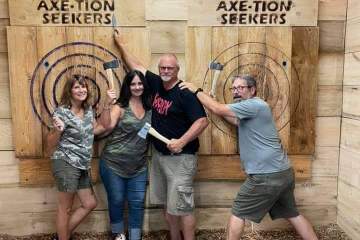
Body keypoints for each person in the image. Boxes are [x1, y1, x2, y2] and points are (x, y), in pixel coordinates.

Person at [180, 75, 318, 240]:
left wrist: (196, 90)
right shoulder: (254, 109)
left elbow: (218, 109)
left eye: (241, 88)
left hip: (266, 176)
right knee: (292, 214)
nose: (236, 91)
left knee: (238, 211)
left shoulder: (254, 105)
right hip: (283, 173)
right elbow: (235, 120)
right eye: (234, 88)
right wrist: (213, 103)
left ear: (252, 90)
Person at [113, 30, 209, 240]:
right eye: (162, 67)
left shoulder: (185, 93)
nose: (165, 70)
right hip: (159, 157)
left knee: (183, 208)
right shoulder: (156, 83)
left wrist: (182, 141)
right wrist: (121, 44)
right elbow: (135, 65)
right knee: (169, 207)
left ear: (177, 69)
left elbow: (202, 121)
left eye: (170, 68)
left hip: (181, 159)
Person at [48, 75, 114, 240]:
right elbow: (49, 143)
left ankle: (61, 236)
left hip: (82, 164)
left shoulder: (88, 110)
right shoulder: (62, 112)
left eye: (83, 86)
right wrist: (58, 130)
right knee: (66, 208)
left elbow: (102, 126)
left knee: (90, 203)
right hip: (65, 162)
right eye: (77, 87)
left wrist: (107, 104)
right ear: (70, 91)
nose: (81, 90)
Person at [96, 70, 152, 240]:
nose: (137, 87)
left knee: (137, 204)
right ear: (128, 86)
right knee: (117, 201)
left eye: (140, 83)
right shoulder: (119, 107)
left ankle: (135, 237)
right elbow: (106, 126)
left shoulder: (150, 107)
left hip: (139, 166)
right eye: (133, 84)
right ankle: (118, 235)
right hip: (113, 164)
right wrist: (107, 103)